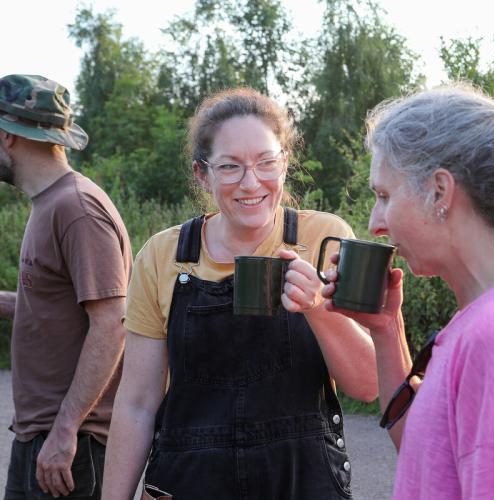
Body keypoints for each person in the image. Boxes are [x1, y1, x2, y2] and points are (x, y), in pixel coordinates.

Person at [322, 83, 494, 499]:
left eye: (384, 195)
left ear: (440, 191)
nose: (375, 223)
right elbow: (427, 453)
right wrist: (385, 329)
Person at [102, 87, 378, 499]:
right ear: (202, 173)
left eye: (266, 162)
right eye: (230, 167)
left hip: (302, 483)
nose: (252, 183)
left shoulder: (326, 238)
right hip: (188, 482)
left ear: (285, 162)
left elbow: (369, 385)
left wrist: (318, 309)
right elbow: (137, 403)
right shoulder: (162, 255)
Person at [0, 74, 132, 499]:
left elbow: (112, 323)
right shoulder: (49, 203)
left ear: (6, 137)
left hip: (70, 446)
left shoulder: (76, 208)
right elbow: (54, 309)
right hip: (41, 438)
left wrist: (65, 430)